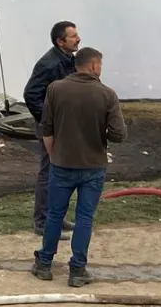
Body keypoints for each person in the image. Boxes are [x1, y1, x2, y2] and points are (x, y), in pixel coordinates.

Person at [31, 47, 128, 287]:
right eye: (100, 66)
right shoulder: (107, 94)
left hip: (61, 164)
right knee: (85, 217)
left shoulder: (55, 89)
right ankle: (77, 270)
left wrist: (55, 155)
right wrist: (99, 131)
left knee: (54, 214)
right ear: (94, 66)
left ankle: (44, 264)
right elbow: (119, 134)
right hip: (93, 166)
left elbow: (47, 128)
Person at [23, 20, 80, 237]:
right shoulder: (48, 63)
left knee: (62, 172)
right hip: (51, 127)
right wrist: (47, 121)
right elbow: (30, 94)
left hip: (65, 125)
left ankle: (56, 216)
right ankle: (42, 222)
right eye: (73, 36)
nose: (78, 39)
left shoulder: (69, 60)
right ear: (60, 41)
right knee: (49, 172)